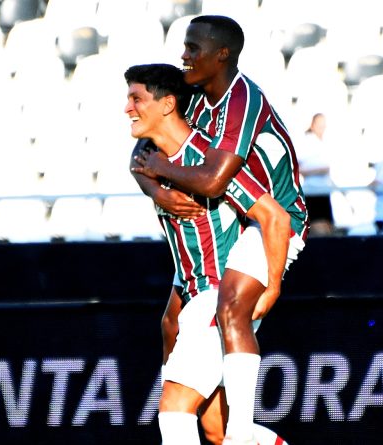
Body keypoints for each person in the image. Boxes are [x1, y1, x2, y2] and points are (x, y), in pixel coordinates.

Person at [131, 15, 308, 444]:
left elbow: (218, 184)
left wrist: (272, 284)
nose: (185, 55)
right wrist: (153, 184)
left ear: (221, 54)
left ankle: (244, 431)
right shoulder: (191, 101)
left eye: (193, 48)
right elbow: (141, 150)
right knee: (211, 424)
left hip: (273, 221)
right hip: (222, 249)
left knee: (230, 309)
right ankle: (243, 435)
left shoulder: (241, 100)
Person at [296, 113, 334, 235]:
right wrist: (320, 170)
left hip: (324, 190)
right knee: (318, 227)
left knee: (328, 227)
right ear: (313, 125)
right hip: (312, 191)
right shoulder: (306, 142)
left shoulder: (323, 143)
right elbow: (298, 168)